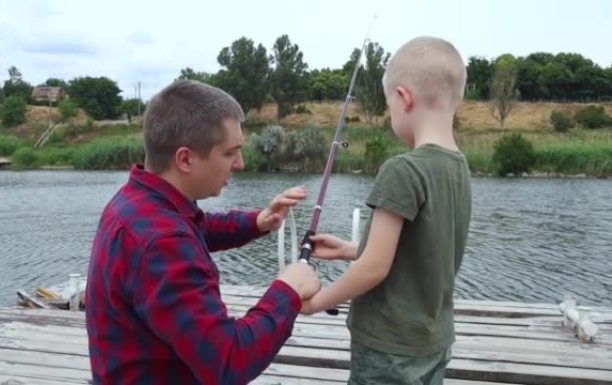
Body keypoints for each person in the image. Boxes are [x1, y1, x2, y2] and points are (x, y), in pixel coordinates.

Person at [85, 79, 321, 385]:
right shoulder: (162, 241)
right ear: (185, 159)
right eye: (230, 153)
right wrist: (288, 291)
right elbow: (229, 361)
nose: (240, 164)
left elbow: (197, 227)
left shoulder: (137, 203)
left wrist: (257, 221)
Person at [300, 36, 472, 385]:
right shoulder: (459, 166)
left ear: (403, 98)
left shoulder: (403, 169)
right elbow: (425, 253)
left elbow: (374, 269)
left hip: (387, 349)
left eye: (389, 106)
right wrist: (350, 250)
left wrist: (313, 302)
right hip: (433, 341)